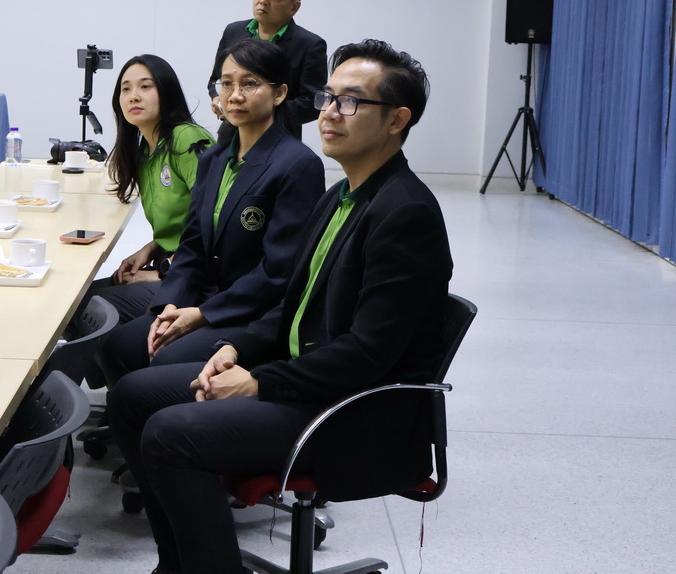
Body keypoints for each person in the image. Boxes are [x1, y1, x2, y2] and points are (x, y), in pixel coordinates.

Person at [108, 39, 454, 574]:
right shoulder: (341, 196)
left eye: (350, 101)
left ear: (396, 120)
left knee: (170, 435)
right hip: (306, 379)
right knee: (132, 396)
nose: (329, 112)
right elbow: (294, 307)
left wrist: (259, 381)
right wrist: (236, 347)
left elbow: (367, 354)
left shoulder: (405, 214)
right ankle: (178, 564)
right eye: (328, 97)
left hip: (347, 411)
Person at [98, 38, 326, 387]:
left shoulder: (297, 164)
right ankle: (135, 414)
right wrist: (170, 304)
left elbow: (278, 272)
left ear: (280, 94)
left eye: (249, 84)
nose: (234, 95)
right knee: (118, 346)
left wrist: (202, 314)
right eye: (227, 83)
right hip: (203, 297)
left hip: (253, 313)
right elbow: (192, 245)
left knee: (163, 359)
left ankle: (161, 415)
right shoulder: (215, 159)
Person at [66, 54, 213, 333]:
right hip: (175, 261)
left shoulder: (186, 137)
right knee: (73, 299)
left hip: (199, 274)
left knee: (78, 308)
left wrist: (163, 270)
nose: (134, 96)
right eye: (126, 89)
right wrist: (150, 248)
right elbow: (181, 222)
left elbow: (215, 218)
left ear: (166, 92)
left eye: (145, 86)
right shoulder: (144, 149)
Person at [207, 0, 327, 141]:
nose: (263, 0)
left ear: (294, 7)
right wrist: (217, 97)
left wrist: (261, 110)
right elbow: (215, 80)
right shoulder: (233, 31)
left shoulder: (309, 44)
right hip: (230, 135)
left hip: (279, 138)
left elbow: (313, 103)